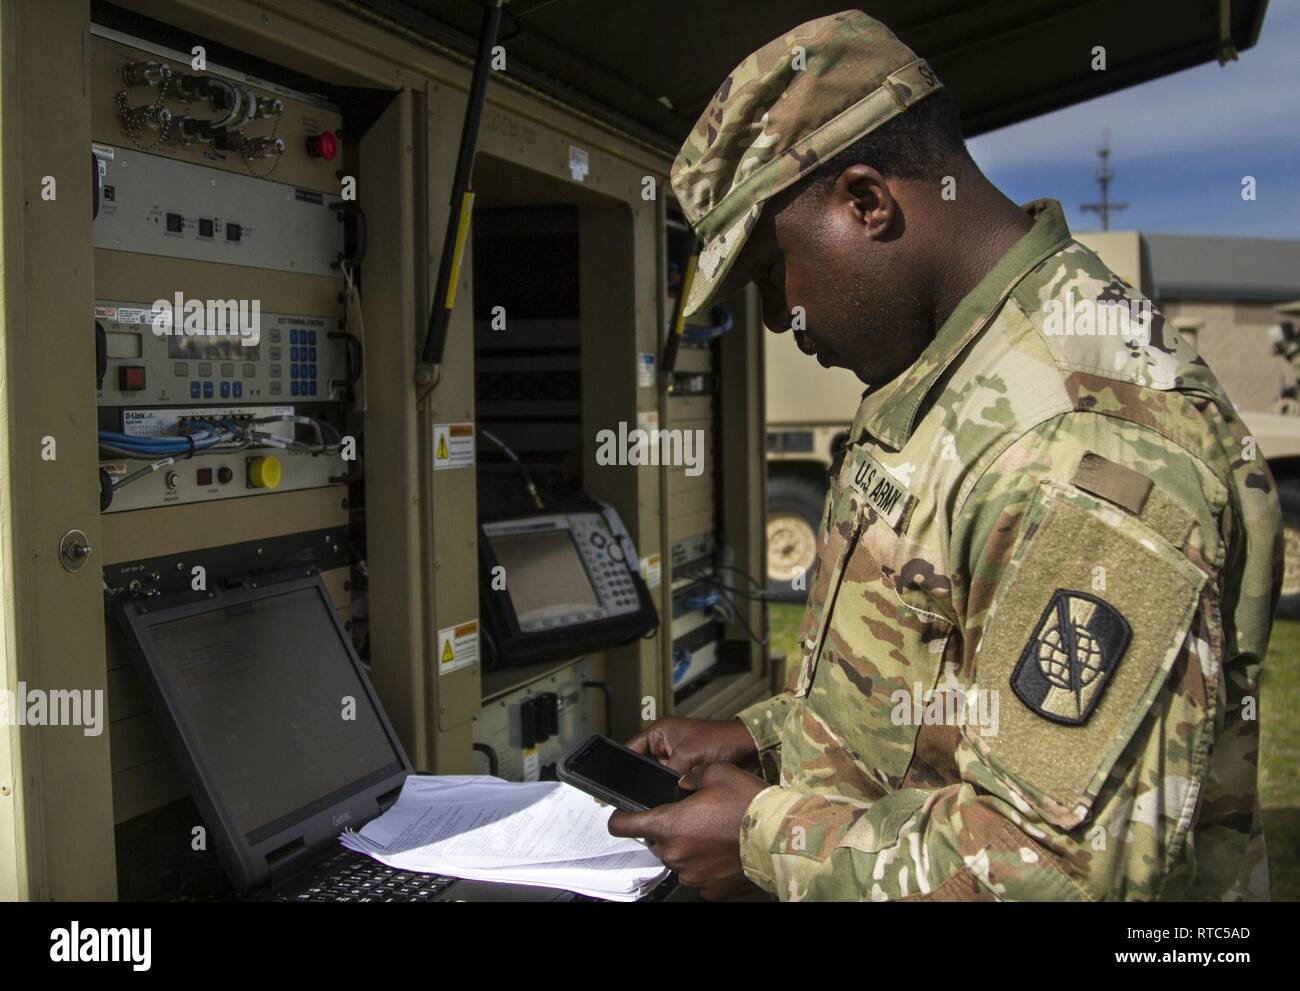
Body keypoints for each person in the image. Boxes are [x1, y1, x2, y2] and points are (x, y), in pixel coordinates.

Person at [608, 8, 1282, 901]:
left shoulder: (1080, 445)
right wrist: (766, 741)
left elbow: (1055, 869)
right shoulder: (951, 376)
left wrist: (765, 836)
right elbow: (947, 695)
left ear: (865, 202)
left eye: (774, 271)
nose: (777, 318)